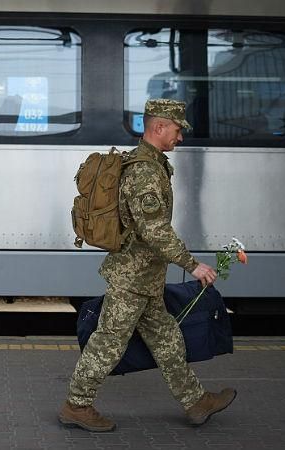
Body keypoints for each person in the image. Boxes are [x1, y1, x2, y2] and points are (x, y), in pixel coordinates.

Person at [59, 99, 236, 432]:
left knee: (167, 338)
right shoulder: (144, 170)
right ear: (159, 127)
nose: (180, 137)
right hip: (133, 278)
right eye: (177, 129)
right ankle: (76, 405)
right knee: (109, 343)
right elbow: (153, 229)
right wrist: (192, 264)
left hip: (146, 277)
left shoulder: (153, 164)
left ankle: (195, 401)